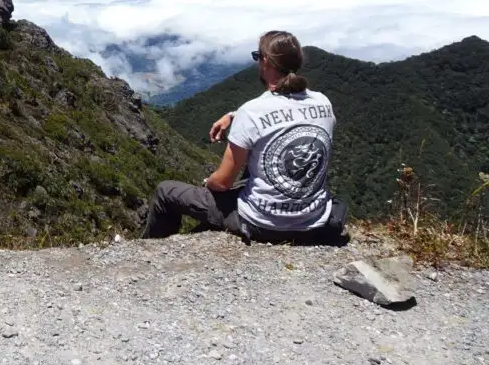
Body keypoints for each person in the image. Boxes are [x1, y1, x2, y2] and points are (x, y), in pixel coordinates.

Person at [141, 30, 345, 243]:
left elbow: (222, 183)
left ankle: (150, 252)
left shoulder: (252, 111)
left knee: (166, 191)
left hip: (263, 224)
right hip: (314, 220)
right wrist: (232, 116)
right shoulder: (323, 102)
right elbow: (287, 115)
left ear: (265, 61)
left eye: (257, 57)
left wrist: (207, 182)